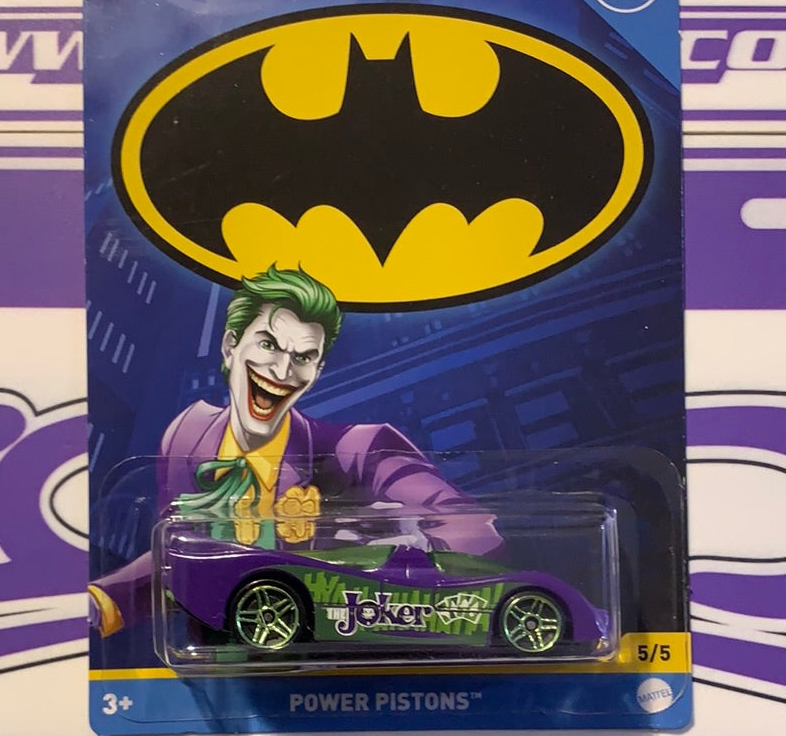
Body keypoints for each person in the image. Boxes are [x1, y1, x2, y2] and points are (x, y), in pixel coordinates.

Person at [88, 265, 500, 635]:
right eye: (268, 344)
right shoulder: (187, 435)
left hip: (327, 645)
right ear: (231, 345)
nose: (283, 371)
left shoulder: (358, 449)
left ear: (317, 372)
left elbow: (473, 527)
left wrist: (403, 542)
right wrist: (102, 600)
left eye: (303, 357)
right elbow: (176, 554)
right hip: (220, 650)